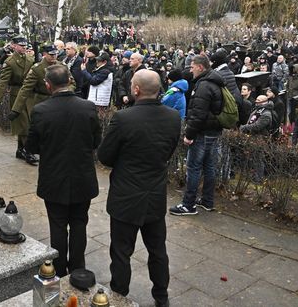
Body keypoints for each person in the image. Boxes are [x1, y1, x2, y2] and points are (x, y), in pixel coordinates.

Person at [98, 69, 181, 307]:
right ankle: (161, 298)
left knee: (121, 252)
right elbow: (168, 150)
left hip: (126, 194)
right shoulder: (173, 117)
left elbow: (105, 155)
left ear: (135, 89)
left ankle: (119, 296)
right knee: (158, 250)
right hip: (154, 193)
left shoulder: (124, 118)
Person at [26, 64, 101, 277]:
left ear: (48, 85)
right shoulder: (88, 107)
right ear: (69, 80)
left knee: (57, 225)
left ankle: (57, 269)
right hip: (82, 176)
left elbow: (31, 146)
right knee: (79, 223)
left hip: (54, 176)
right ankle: (77, 268)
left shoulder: (40, 110)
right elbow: (96, 141)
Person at [169, 55, 225, 216]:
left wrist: (189, 134)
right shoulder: (215, 82)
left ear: (200, 67)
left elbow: (198, 114)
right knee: (209, 167)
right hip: (213, 132)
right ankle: (207, 201)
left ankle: (188, 205)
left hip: (201, 133)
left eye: (192, 67)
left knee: (193, 168)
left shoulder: (204, 85)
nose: (190, 70)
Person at [0, 36, 35, 163]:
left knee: (28, 123)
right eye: (21, 45)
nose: (24, 47)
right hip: (16, 95)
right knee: (23, 124)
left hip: (30, 95)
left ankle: (20, 149)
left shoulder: (30, 59)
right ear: (14, 46)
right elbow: (2, 81)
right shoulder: (10, 62)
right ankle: (27, 151)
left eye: (25, 45)